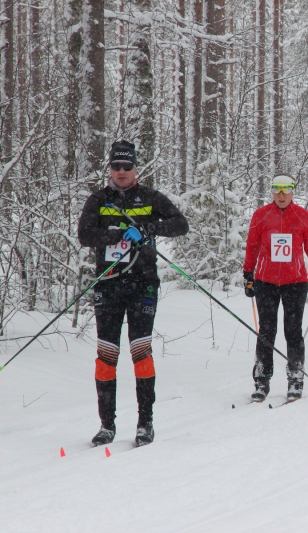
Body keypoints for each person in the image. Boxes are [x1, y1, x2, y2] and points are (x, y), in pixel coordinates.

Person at [78, 140, 189, 447]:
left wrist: (148, 229)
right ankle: (107, 425)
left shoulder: (150, 197)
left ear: (136, 168)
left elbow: (181, 224)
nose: (122, 172)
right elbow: (85, 234)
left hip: (143, 284)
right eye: (117, 166)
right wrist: (114, 234)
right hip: (109, 283)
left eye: (127, 166)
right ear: (110, 168)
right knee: (106, 356)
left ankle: (145, 424)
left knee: (141, 353)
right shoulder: (99, 200)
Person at [242, 174, 308, 402]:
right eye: (276, 189)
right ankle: (261, 381)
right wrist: (248, 273)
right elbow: (252, 245)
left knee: (293, 331)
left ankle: (295, 379)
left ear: (292, 192)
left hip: (295, 283)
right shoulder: (261, 216)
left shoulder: (303, 216)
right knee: (266, 331)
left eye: (285, 189)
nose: (281, 194)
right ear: (271, 192)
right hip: (266, 282)